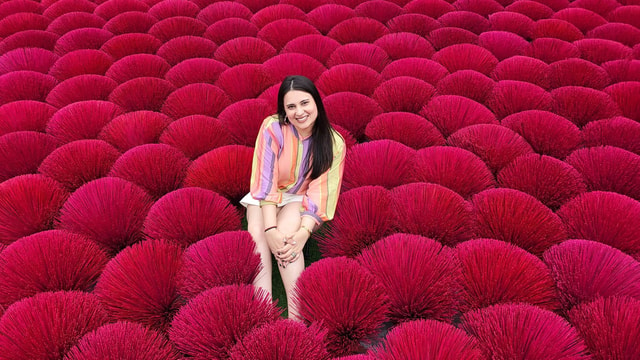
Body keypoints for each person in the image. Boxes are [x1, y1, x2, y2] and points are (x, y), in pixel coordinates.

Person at [240, 75, 346, 319]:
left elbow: (320, 194)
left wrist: (302, 235)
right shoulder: (272, 128)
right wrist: (270, 231)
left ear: (317, 103)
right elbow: (266, 184)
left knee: (288, 234)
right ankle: (263, 312)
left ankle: (297, 317)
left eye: (305, 103)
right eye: (291, 107)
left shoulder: (334, 143)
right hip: (265, 195)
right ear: (284, 112)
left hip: (300, 198)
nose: (300, 112)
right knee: (257, 232)